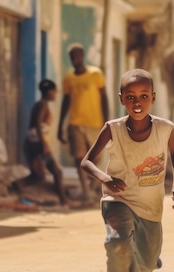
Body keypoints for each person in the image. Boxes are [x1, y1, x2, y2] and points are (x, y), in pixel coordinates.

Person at [80, 68, 174, 272]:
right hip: (117, 200)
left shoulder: (165, 128)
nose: (137, 102)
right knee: (116, 245)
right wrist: (106, 179)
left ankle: (139, 266)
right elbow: (86, 161)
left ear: (153, 97)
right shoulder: (112, 129)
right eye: (130, 96)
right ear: (121, 99)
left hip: (151, 209)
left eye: (143, 96)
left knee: (146, 264)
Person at [58, 43, 109, 203]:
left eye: (78, 56)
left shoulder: (96, 74)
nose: (75, 59)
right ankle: (86, 192)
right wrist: (60, 125)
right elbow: (65, 101)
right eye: (72, 57)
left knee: (97, 159)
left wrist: (107, 122)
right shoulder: (69, 78)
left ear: (83, 56)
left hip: (95, 124)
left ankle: (93, 187)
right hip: (75, 124)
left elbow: (104, 98)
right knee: (80, 159)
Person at [21, 79, 76, 207]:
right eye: (54, 91)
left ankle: (16, 186)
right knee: (56, 171)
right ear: (50, 92)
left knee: (37, 175)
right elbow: (38, 125)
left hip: (34, 142)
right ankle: (64, 201)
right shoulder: (43, 105)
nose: (55, 94)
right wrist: (43, 144)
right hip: (37, 142)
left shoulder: (40, 104)